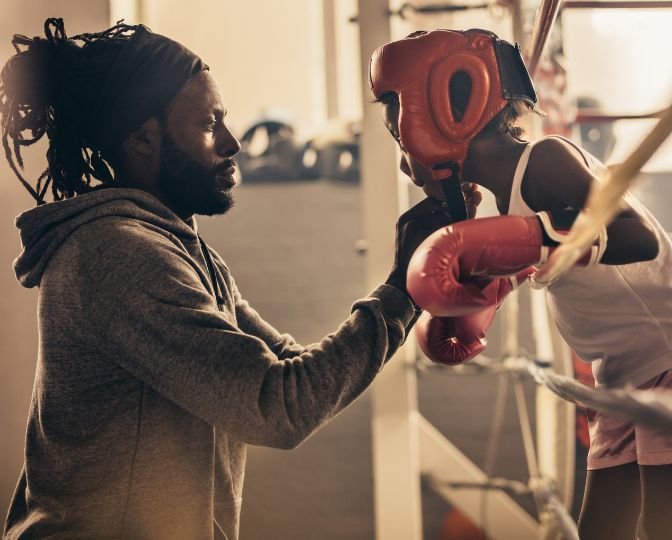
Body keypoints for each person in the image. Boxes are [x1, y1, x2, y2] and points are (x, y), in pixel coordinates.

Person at [0, 19, 455, 539]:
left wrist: (411, 283)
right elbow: (280, 406)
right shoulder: (120, 254)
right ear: (144, 139)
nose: (234, 143)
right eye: (210, 124)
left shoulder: (179, 249)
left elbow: (290, 370)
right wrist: (401, 291)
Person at [370, 29, 672, 540]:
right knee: (601, 530)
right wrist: (474, 291)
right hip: (620, 372)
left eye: (399, 114)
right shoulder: (503, 199)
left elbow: (636, 238)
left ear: (446, 108)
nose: (398, 134)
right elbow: (535, 257)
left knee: (670, 526)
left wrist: (540, 241)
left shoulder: (546, 160)